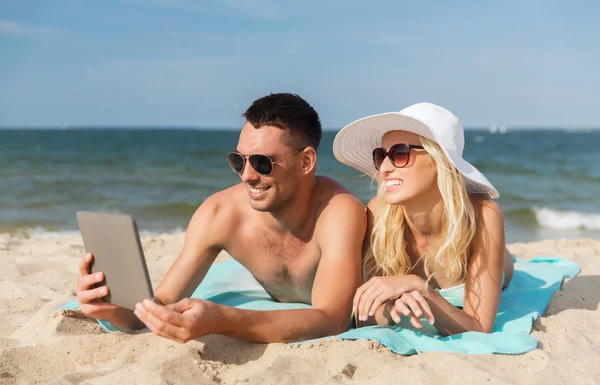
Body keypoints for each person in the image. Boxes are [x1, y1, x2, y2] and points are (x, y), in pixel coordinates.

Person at [74, 93, 366, 343]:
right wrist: (110, 309)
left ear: (306, 161)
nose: (247, 175)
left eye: (263, 163)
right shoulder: (219, 214)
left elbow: (332, 320)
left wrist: (223, 320)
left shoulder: (339, 213)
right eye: (238, 161)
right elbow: (161, 304)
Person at [333, 102, 514, 336]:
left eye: (399, 153)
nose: (385, 167)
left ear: (439, 161)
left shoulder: (483, 216)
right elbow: (361, 314)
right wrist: (390, 309)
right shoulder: (379, 214)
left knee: (506, 265)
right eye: (381, 156)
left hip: (503, 265)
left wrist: (420, 288)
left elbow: (479, 328)